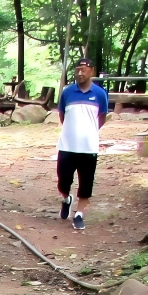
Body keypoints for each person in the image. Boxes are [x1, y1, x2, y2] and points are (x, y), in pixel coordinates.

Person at [56, 58, 109, 231]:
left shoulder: (100, 94)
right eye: (77, 69)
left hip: (88, 147)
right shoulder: (67, 92)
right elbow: (63, 116)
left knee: (86, 183)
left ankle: (79, 214)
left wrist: (89, 131)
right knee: (63, 181)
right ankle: (66, 199)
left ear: (91, 71)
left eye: (84, 69)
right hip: (67, 145)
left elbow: (101, 118)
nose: (80, 72)